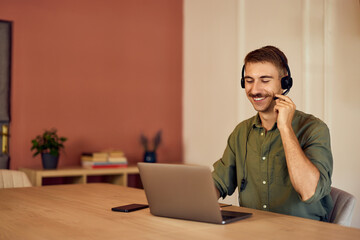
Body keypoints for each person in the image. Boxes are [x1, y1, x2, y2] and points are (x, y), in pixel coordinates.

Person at [212, 46, 333, 221]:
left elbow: (309, 191)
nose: (255, 90)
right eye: (249, 80)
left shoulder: (314, 129)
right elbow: (218, 182)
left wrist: (285, 128)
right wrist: (194, 202)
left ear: (285, 83)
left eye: (265, 80)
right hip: (254, 231)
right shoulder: (241, 132)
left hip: (304, 233)